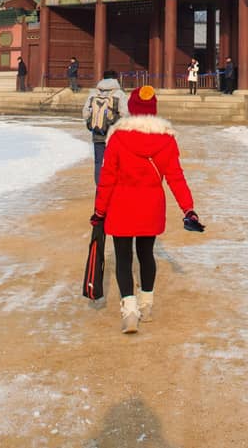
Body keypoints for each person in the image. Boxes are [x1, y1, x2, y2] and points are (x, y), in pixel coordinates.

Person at [91, 86, 204, 333]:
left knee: (123, 257)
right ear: (154, 110)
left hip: (121, 205)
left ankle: (129, 311)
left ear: (131, 109)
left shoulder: (118, 138)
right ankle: (147, 305)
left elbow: (107, 178)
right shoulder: (166, 140)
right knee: (146, 254)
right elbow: (176, 177)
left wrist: (99, 211)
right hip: (150, 206)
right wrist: (188, 209)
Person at [82, 70, 127, 183]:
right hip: (114, 134)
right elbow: (125, 114)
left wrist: (93, 122)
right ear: (115, 79)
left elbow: (85, 113)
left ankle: (100, 187)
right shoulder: (119, 94)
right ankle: (112, 186)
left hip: (98, 132)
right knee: (114, 162)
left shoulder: (94, 93)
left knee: (98, 162)